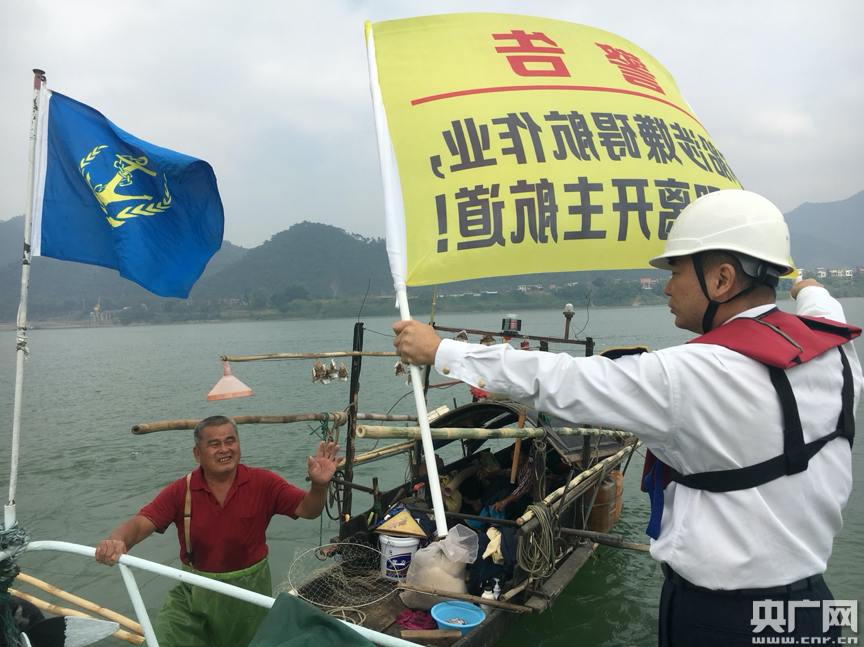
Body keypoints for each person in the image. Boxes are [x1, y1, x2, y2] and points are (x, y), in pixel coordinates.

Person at [392, 189, 862, 646]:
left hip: (722, 620)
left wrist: (440, 350)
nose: (667, 286)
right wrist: (806, 286)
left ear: (722, 280)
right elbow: (822, 308)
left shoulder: (689, 376)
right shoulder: (837, 354)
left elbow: (560, 378)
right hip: (811, 608)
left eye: (676, 270)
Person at [95, 415, 340, 647]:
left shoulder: (264, 482)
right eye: (214, 444)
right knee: (160, 641)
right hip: (193, 593)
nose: (224, 449)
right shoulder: (181, 490)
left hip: (249, 596)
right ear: (197, 454)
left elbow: (308, 509)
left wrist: (319, 486)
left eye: (230, 441)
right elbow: (141, 524)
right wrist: (117, 540)